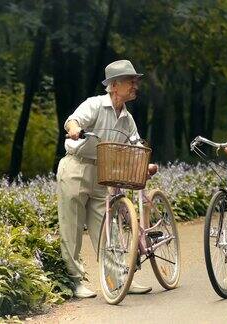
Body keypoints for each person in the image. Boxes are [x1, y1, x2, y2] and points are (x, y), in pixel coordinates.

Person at [58, 60, 152, 298]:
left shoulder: (127, 118)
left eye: (135, 81)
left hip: (103, 174)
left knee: (106, 230)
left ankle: (118, 278)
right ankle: (74, 281)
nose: (135, 85)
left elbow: (136, 144)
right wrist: (73, 129)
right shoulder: (96, 105)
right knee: (72, 228)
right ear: (114, 85)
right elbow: (73, 120)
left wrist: (145, 162)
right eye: (131, 81)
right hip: (77, 168)